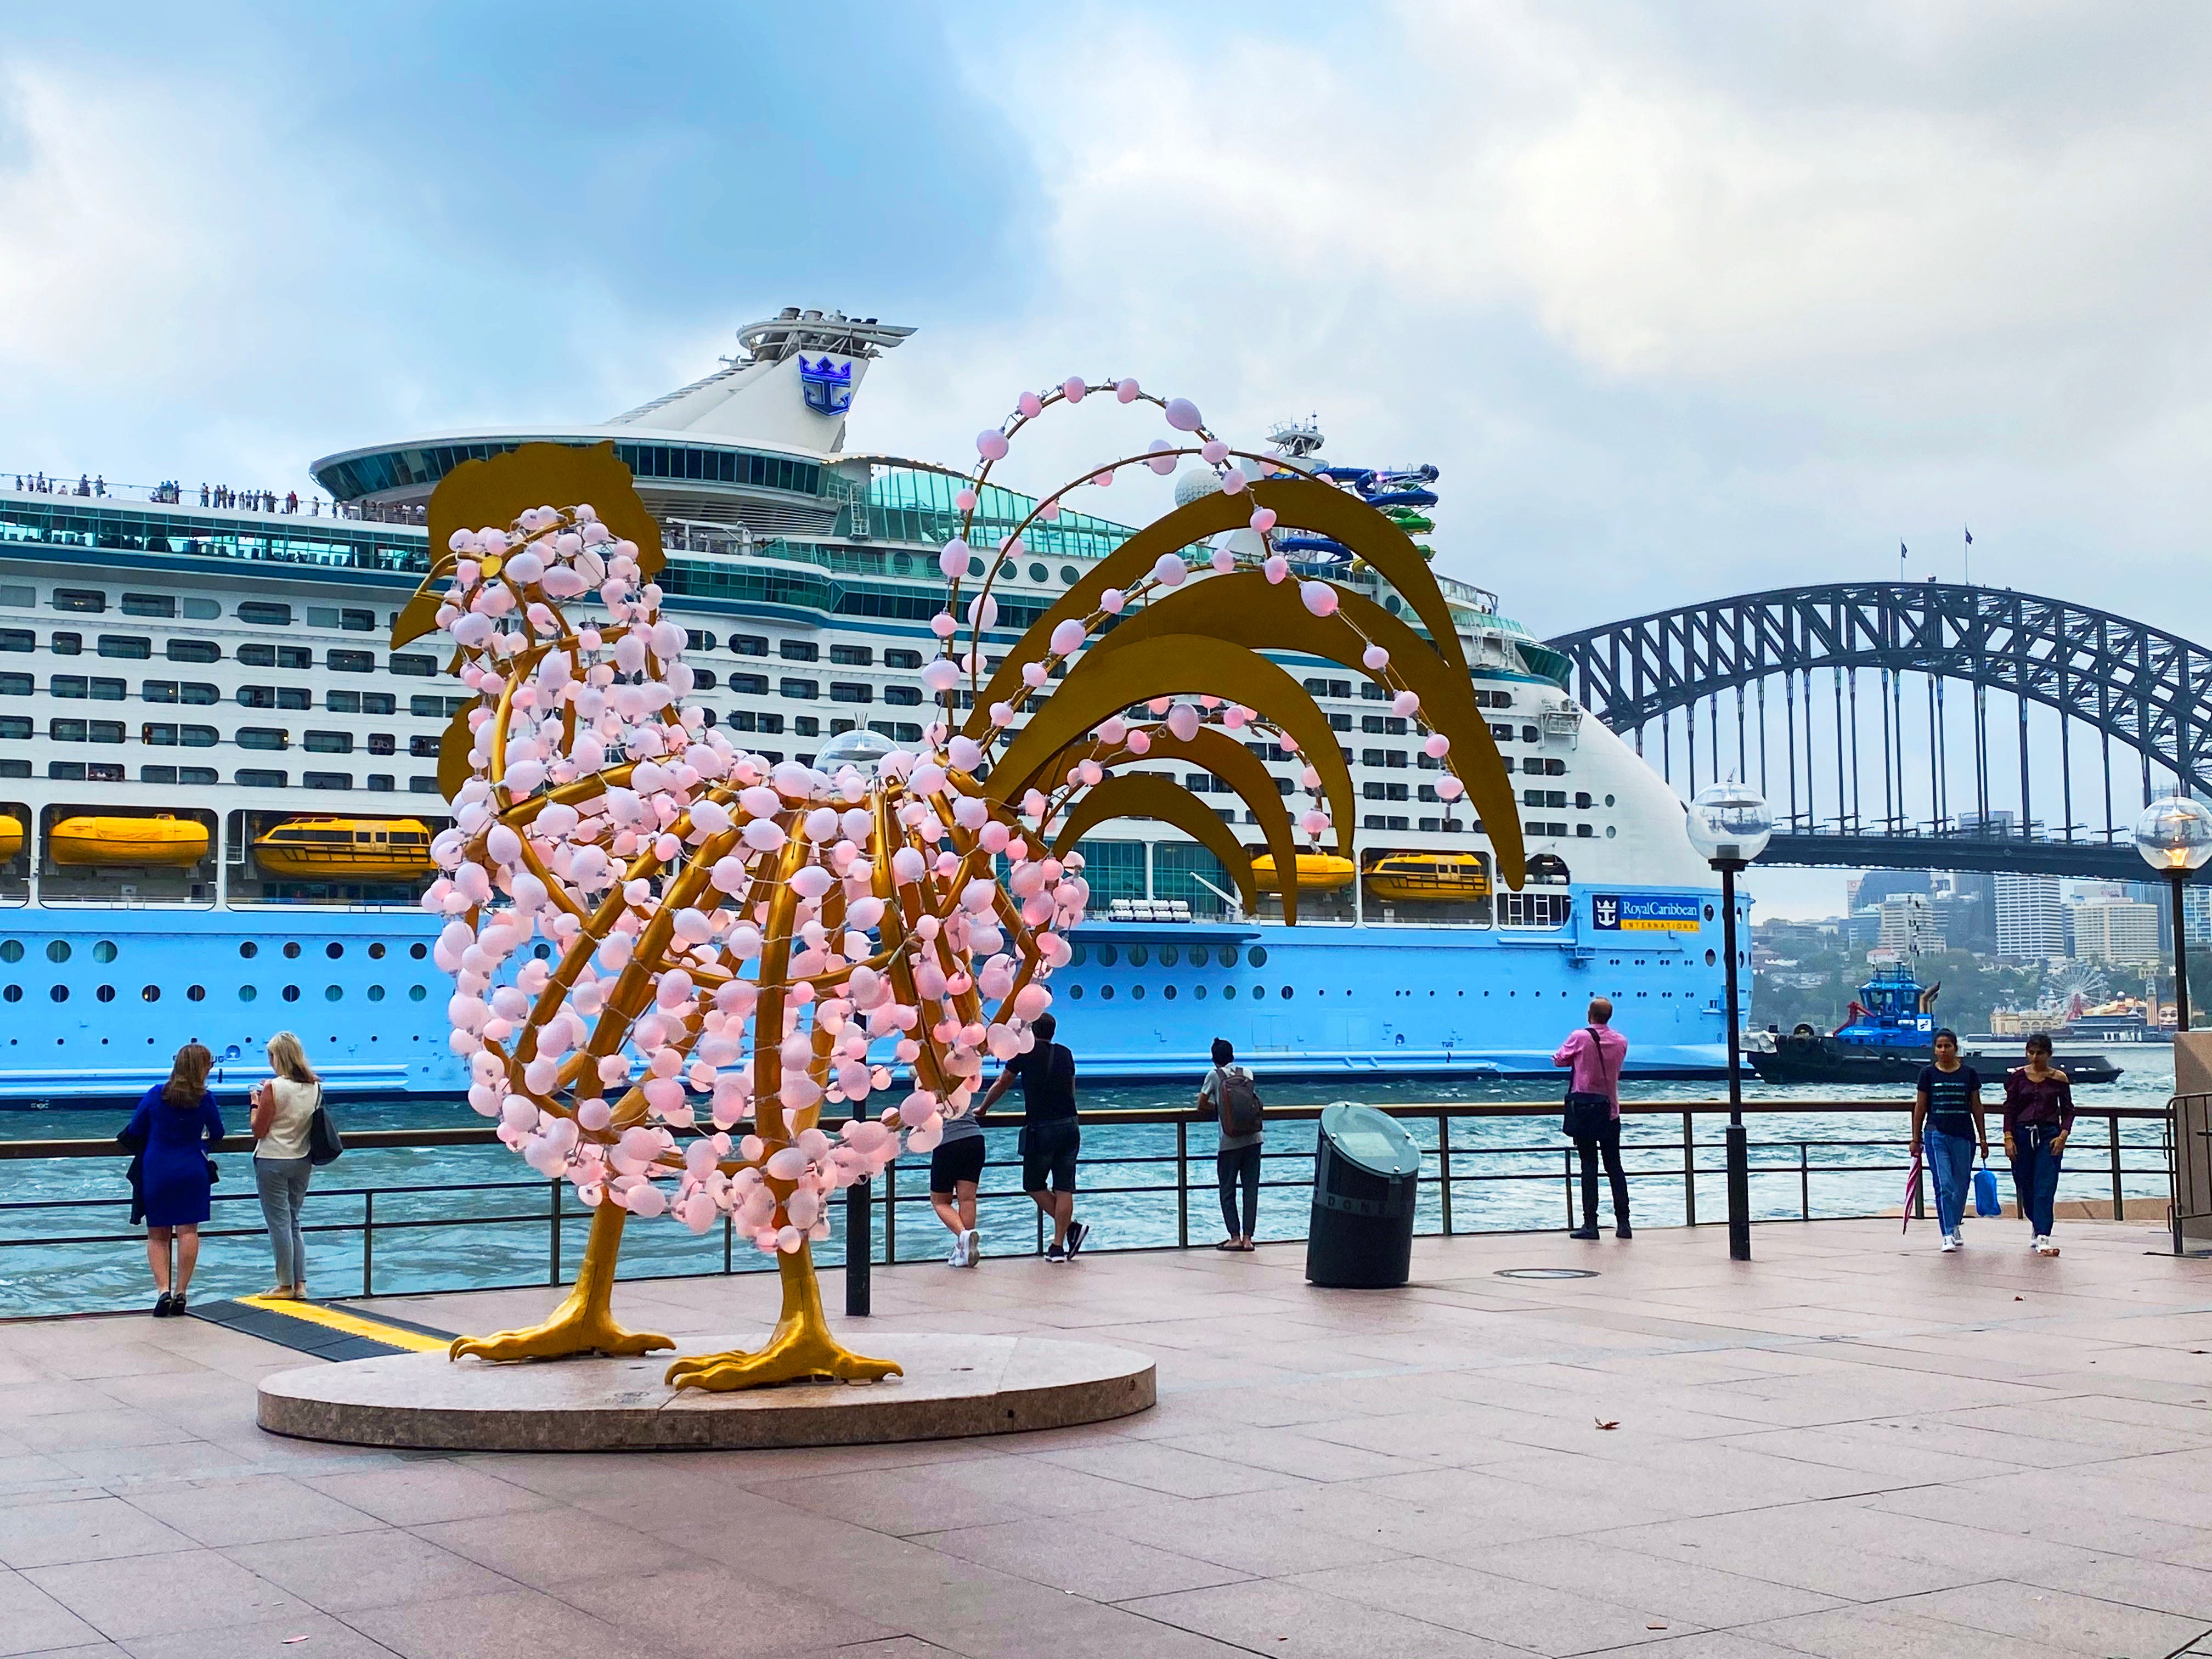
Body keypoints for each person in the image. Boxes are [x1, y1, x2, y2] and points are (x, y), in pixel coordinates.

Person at [122, 1043, 224, 1316]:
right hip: (192, 1167)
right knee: (188, 1232)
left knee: (158, 1235)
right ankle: (182, 1292)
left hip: (158, 1169)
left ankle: (162, 1291)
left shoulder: (157, 1094)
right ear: (201, 1069)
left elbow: (135, 1128)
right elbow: (218, 1132)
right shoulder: (206, 1098)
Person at [980, 1012, 1088, 1262]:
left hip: (1042, 1127)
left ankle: (1072, 1230)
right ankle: (1058, 1246)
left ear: (1031, 1031)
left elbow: (1003, 1082)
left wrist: (984, 1108)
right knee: (1064, 1186)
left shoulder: (1024, 1052)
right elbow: (1071, 1088)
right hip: (1070, 1124)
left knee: (1033, 1184)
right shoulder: (1065, 1053)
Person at [250, 1031, 321, 1299]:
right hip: (302, 1160)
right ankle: (300, 1283)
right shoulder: (314, 1086)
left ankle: (284, 1285)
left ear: (277, 1057)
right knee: (293, 1221)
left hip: (272, 1160)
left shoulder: (273, 1087)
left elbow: (259, 1130)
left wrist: (255, 1104)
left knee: (279, 1223)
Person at [1554, 997, 1630, 1240]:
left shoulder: (1580, 1037)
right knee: (1615, 1167)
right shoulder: (1621, 1041)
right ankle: (1624, 1223)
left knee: (1589, 1166)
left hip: (1585, 1111)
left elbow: (1559, 1060)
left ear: (1590, 1014)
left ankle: (1591, 1224)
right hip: (1610, 1111)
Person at [1912, 1028, 1988, 1252]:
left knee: (1961, 1184)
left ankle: (1955, 1223)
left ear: (1956, 1048)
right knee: (1944, 1185)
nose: (1943, 1050)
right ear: (1935, 1050)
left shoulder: (1969, 1073)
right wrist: (1915, 1138)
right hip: (1936, 1134)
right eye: (1939, 1046)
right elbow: (1921, 1107)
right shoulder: (1927, 1074)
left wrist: (1983, 1138)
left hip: (1964, 1135)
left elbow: (1976, 1106)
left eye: (1948, 1046)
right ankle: (1946, 1233)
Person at [2002, 1032, 2073, 1256]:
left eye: (2040, 1053)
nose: (2034, 1057)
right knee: (2024, 1183)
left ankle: (2044, 1233)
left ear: (2049, 1054)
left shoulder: (2059, 1078)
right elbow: (2010, 1109)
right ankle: (2037, 1221)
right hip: (2022, 1134)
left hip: (2048, 1134)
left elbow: (2069, 1110)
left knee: (2045, 1185)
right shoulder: (2018, 1077)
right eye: (2031, 1053)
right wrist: (2008, 1137)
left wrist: (2063, 1135)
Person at [1196, 1037, 1262, 1250]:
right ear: (1232, 1055)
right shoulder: (1248, 1073)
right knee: (1250, 1189)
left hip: (1229, 1141)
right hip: (1254, 1139)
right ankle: (1248, 1239)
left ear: (1214, 1058)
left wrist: (1220, 1110)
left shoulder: (1214, 1075)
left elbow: (1201, 1104)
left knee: (1227, 1189)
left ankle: (1234, 1237)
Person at [928, 1092, 987, 1269]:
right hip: (974, 1139)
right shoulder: (959, 1079)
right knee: (967, 1199)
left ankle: (963, 1236)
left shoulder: (926, 1086)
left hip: (947, 1143)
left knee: (940, 1201)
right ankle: (964, 1250)